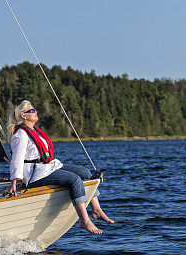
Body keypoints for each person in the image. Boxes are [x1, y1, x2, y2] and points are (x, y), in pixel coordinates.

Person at [7, 99, 114, 234]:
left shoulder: (35, 131)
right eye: (32, 111)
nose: (35, 112)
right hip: (36, 174)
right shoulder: (20, 135)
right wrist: (14, 183)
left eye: (35, 110)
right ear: (23, 115)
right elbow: (16, 159)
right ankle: (84, 220)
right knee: (74, 179)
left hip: (48, 166)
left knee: (85, 172)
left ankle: (96, 210)